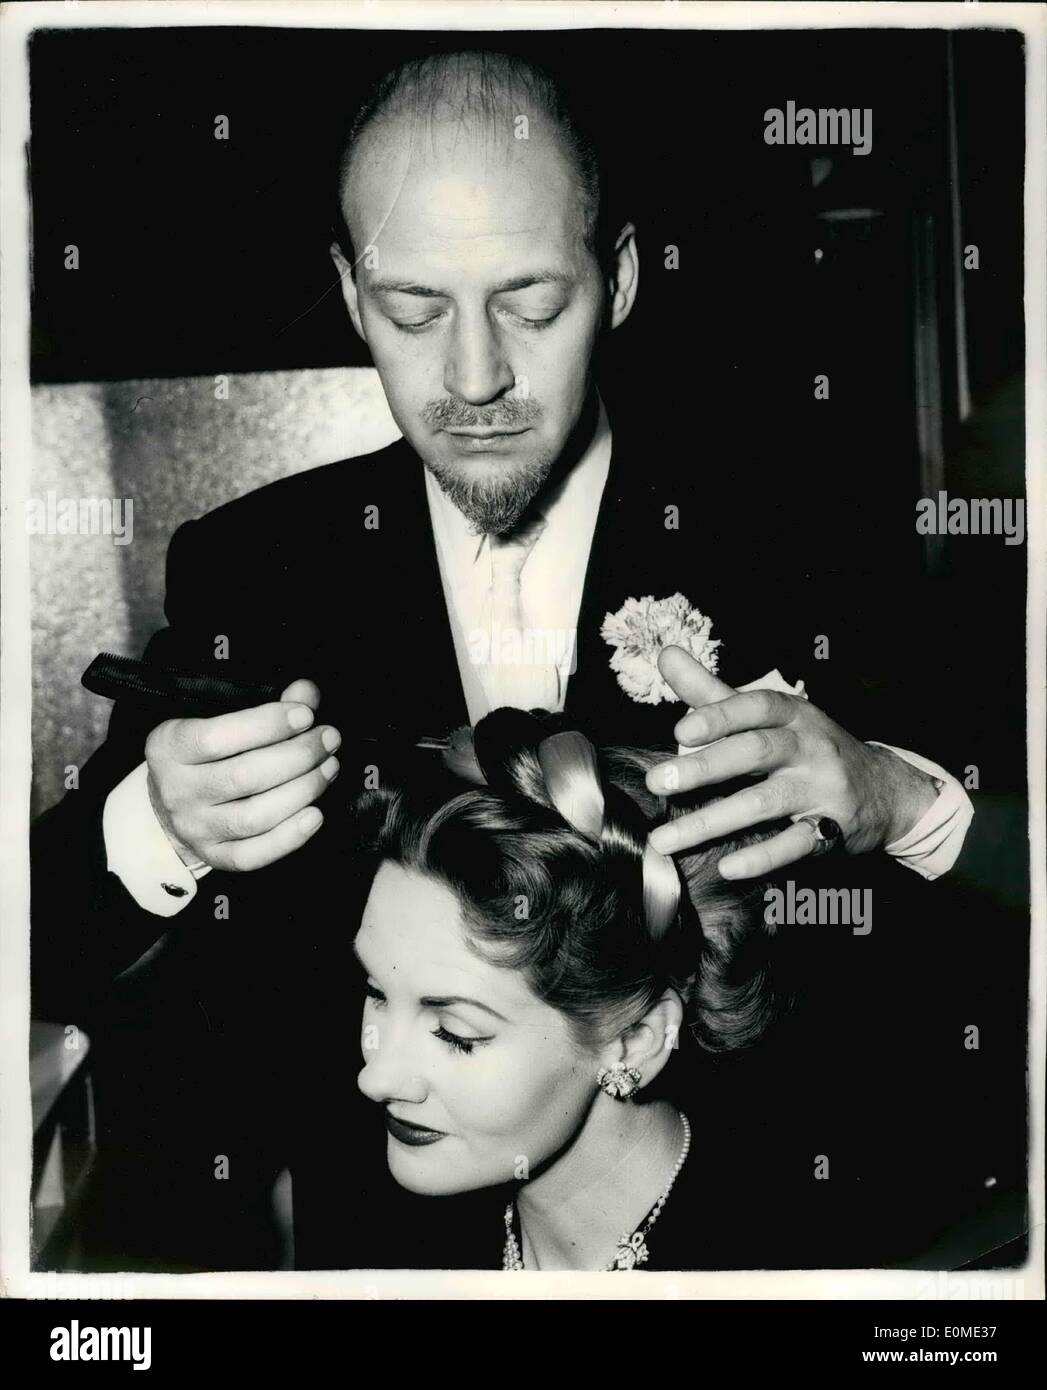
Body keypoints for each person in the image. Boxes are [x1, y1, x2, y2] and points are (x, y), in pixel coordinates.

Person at [30, 48, 983, 1271]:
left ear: (622, 278)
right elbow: (48, 942)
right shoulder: (256, 569)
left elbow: (987, 934)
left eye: (532, 305)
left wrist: (894, 796)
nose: (474, 379)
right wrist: (156, 824)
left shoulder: (804, 536)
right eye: (415, 312)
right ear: (348, 289)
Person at [349, 708, 787, 1272]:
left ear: (635, 1042)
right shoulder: (353, 1225)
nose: (374, 1078)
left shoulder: (792, 1268)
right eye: (376, 992)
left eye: (455, 1034)